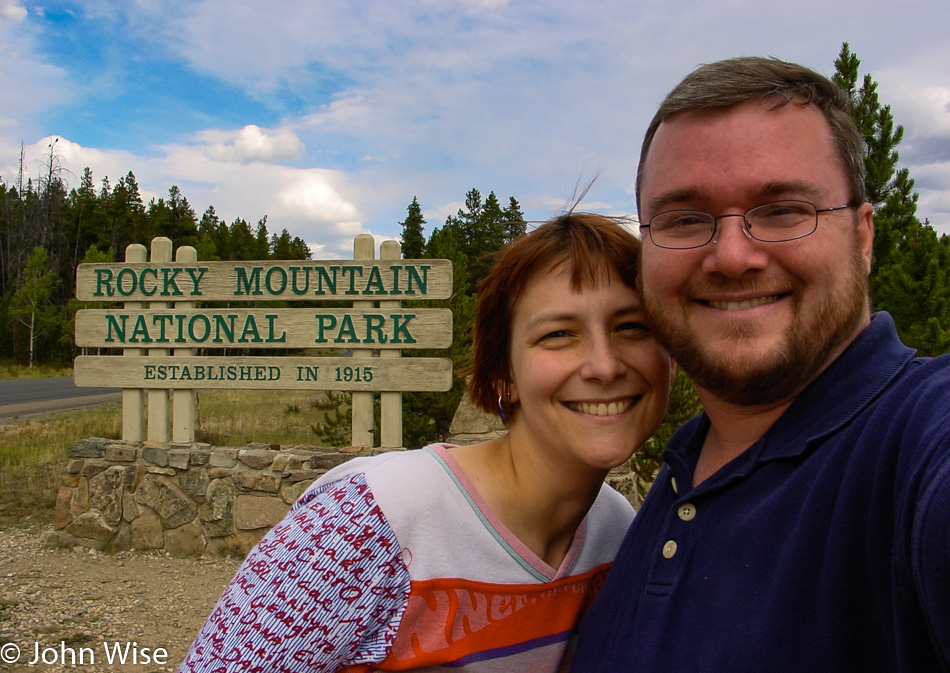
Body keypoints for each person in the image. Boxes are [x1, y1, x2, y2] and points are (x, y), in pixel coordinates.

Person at [571, 56, 950, 672]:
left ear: (862, 234)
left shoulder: (917, 451)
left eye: (782, 211)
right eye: (685, 219)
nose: (730, 257)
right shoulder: (668, 484)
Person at [178, 213, 672, 672]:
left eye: (632, 327)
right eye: (559, 334)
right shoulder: (364, 524)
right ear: (503, 376)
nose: (605, 366)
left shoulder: (617, 531)